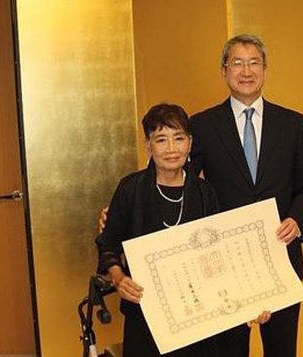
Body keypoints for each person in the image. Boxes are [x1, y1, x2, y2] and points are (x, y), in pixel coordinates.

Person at [188, 34, 303, 357]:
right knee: (229, 351)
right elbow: (180, 183)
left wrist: (297, 219)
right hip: (224, 263)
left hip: (280, 256)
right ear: (224, 71)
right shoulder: (202, 125)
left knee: (281, 350)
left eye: (254, 63)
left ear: (265, 69)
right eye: (237, 63)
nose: (246, 71)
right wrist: (127, 205)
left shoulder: (292, 123)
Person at [95, 104, 223, 357]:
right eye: (161, 140)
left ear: (190, 142)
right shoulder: (131, 189)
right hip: (145, 310)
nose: (172, 149)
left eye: (179, 138)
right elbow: (107, 243)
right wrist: (119, 279)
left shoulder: (205, 192)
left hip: (198, 311)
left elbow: (218, 252)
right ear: (148, 145)